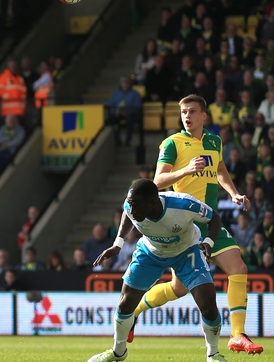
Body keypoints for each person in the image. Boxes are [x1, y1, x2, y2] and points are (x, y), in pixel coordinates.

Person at [131, 94, 261, 354]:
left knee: (238, 267)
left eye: (192, 111)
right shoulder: (172, 144)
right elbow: (156, 183)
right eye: (183, 112)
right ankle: (135, 310)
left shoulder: (214, 141)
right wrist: (186, 170)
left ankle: (238, 335)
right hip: (184, 222)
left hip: (210, 220)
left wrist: (233, 193)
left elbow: (220, 169)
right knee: (178, 288)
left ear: (204, 116)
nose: (187, 116)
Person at [87, 180, 226, 362]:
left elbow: (213, 217)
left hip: (186, 251)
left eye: (136, 206)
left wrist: (208, 242)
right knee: (125, 304)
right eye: (130, 205)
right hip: (150, 252)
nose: (132, 210)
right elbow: (127, 214)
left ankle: (213, 355)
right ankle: (118, 351)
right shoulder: (132, 206)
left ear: (152, 203)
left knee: (208, 306)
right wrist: (118, 244)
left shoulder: (183, 205)